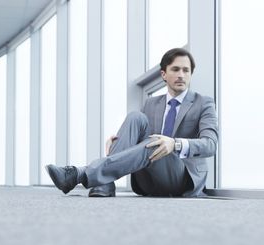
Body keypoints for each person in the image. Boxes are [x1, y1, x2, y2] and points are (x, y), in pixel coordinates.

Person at [46, 48, 218, 197]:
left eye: (186, 70)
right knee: (136, 117)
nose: (181, 75)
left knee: (155, 142)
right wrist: (119, 143)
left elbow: (211, 144)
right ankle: (104, 182)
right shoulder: (151, 103)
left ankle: (80, 175)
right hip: (149, 178)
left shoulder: (204, 103)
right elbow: (140, 141)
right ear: (164, 74)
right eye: (175, 69)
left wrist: (175, 144)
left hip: (182, 179)